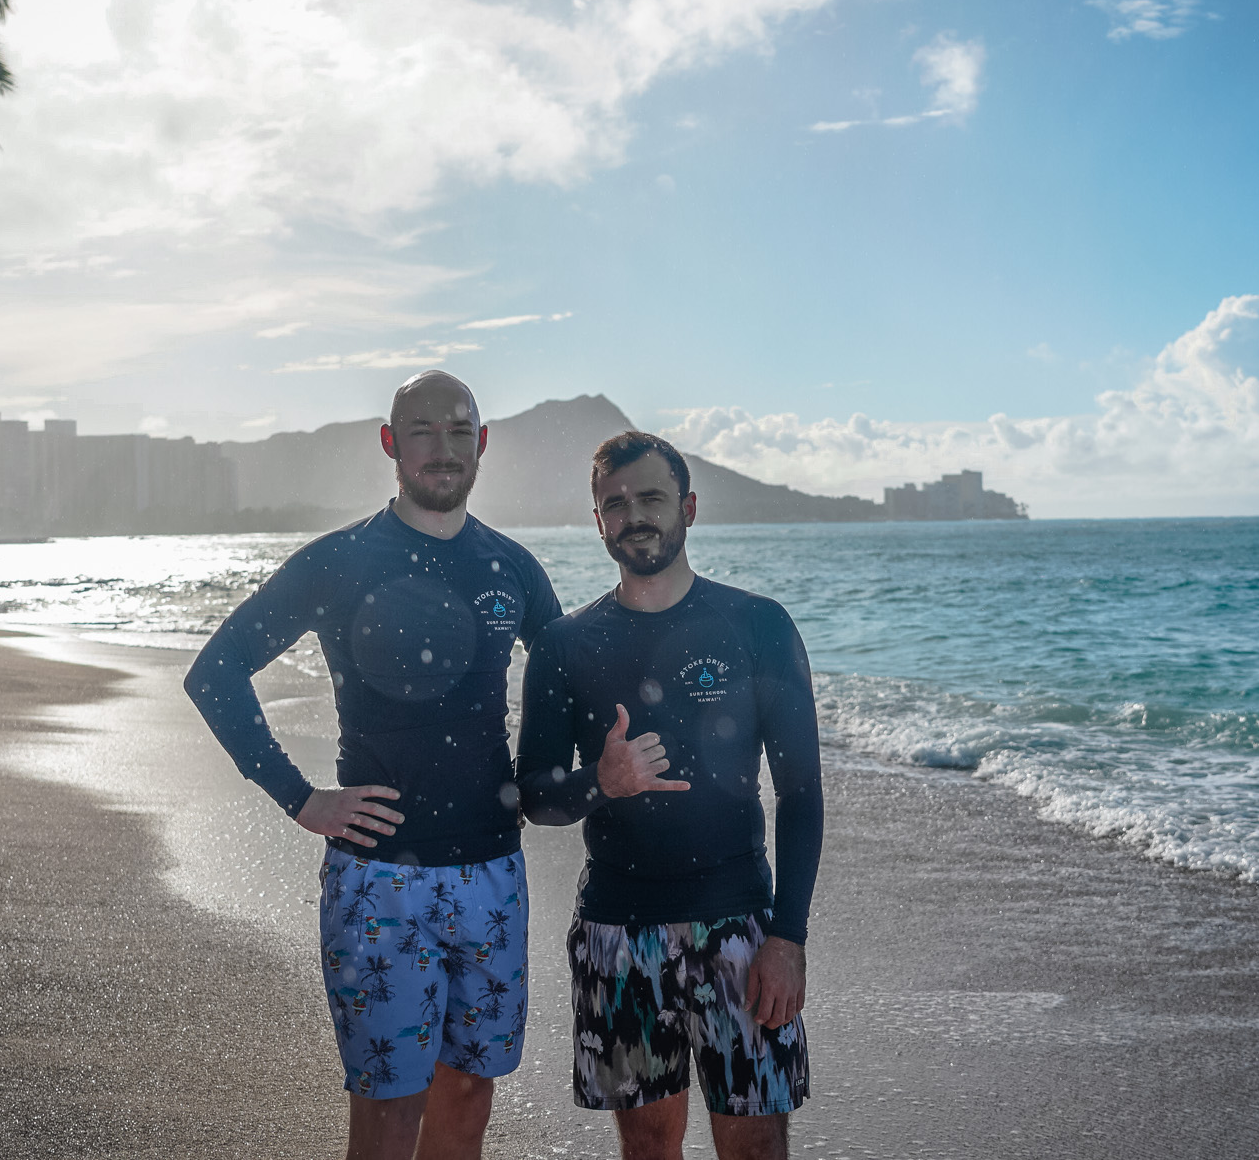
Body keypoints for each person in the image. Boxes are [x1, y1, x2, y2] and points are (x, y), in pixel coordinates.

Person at [184, 371, 560, 1160]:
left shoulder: (514, 570)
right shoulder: (340, 561)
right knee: (388, 1114)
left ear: (483, 444)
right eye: (422, 431)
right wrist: (300, 797)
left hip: (494, 873)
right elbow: (216, 670)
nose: (443, 448)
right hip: (377, 880)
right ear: (390, 444)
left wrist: (559, 774)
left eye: (461, 431)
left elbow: (572, 683)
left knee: (467, 1097)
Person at [516, 432, 824, 1160]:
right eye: (615, 503)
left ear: (687, 507)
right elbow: (534, 793)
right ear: (598, 522)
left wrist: (790, 937)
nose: (634, 515)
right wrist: (603, 781)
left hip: (741, 929)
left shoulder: (758, 624)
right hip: (616, 935)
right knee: (649, 1146)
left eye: (651, 497)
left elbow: (802, 793)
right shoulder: (564, 645)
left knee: (756, 1142)